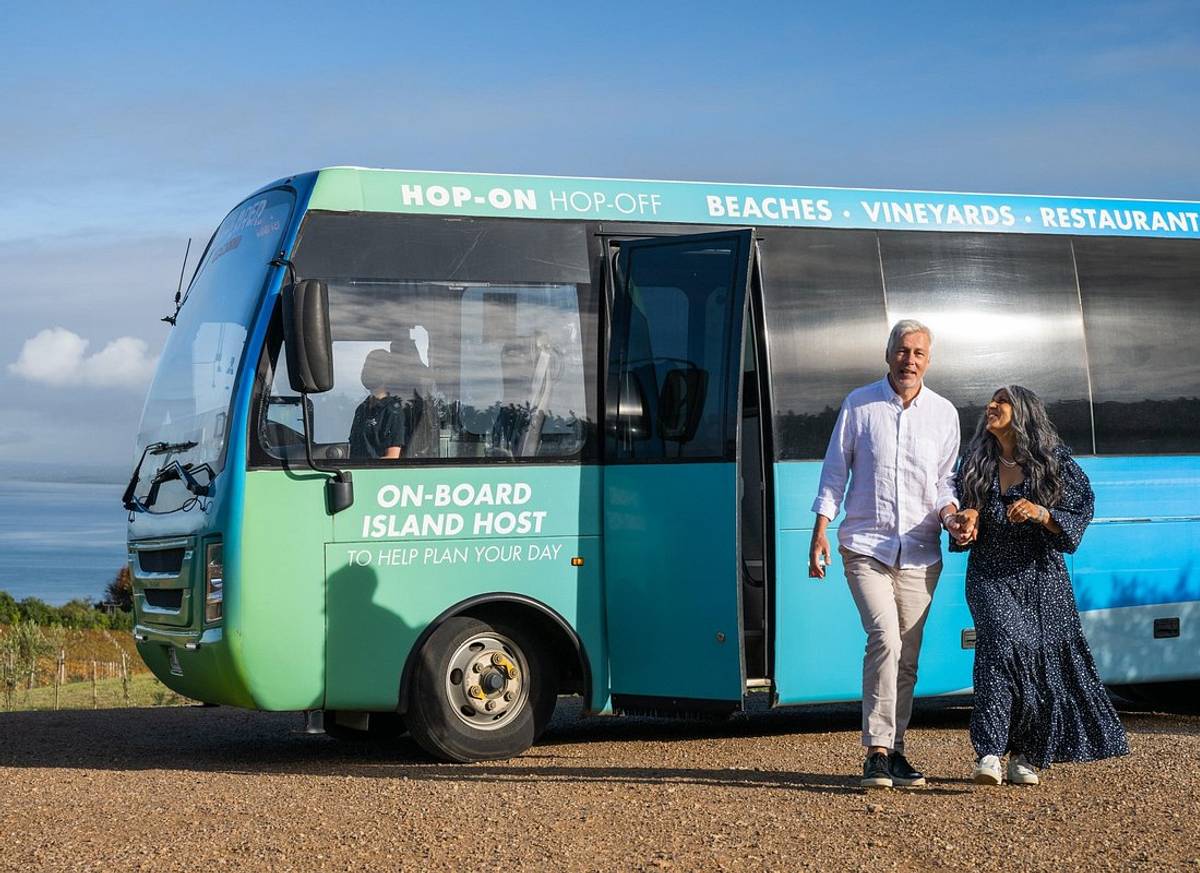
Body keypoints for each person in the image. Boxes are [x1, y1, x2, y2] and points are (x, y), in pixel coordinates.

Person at [810, 320, 963, 788]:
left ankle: (895, 750)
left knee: (908, 658)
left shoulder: (944, 413)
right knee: (886, 640)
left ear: (928, 360)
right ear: (888, 354)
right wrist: (820, 531)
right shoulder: (860, 404)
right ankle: (875, 751)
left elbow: (944, 482)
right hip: (866, 546)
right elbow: (835, 471)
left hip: (920, 551)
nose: (909, 360)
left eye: (918, 353)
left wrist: (952, 514)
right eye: (902, 350)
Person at [949, 386, 1128, 785]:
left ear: (1023, 412)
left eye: (1002, 401)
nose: (991, 407)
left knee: (1040, 661)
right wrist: (966, 522)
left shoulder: (1053, 461)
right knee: (998, 651)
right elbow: (961, 511)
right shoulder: (976, 460)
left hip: (1041, 576)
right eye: (992, 401)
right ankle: (990, 751)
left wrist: (1041, 512)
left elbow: (1081, 507)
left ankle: (1026, 754)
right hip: (990, 574)